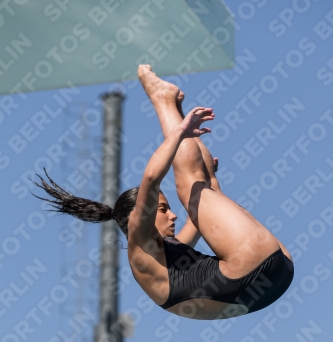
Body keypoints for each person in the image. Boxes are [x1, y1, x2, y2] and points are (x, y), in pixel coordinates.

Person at [33, 65, 294, 320]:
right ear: (139, 214)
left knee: (199, 184)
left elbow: (203, 210)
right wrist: (179, 132)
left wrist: (198, 156)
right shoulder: (139, 242)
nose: (173, 216)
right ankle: (160, 98)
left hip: (270, 278)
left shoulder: (169, 253)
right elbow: (151, 177)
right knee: (191, 186)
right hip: (257, 270)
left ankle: (172, 108)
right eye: (162, 209)